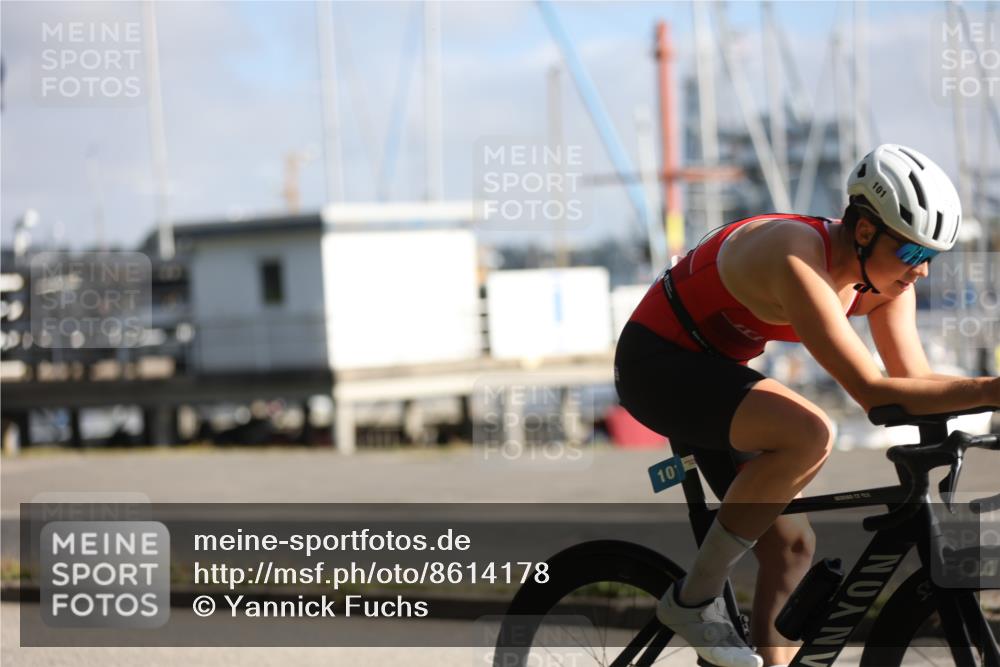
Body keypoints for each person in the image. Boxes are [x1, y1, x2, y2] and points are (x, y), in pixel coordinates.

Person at [613, 144, 1000, 667]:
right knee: (809, 432)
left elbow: (914, 383)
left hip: (719, 370)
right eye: (913, 253)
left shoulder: (886, 282)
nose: (923, 271)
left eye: (931, 257)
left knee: (792, 547)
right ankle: (693, 601)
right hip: (656, 364)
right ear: (865, 232)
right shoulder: (796, 256)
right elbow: (872, 391)